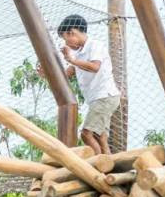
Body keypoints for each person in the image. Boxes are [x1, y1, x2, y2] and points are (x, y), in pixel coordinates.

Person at [45, 14, 121, 155]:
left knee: (86, 134)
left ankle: (99, 166)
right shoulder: (79, 54)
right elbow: (66, 74)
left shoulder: (95, 45)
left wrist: (72, 59)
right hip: (98, 99)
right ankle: (109, 166)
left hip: (105, 96)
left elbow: (94, 67)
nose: (66, 44)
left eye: (65, 39)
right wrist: (46, 73)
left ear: (72, 32)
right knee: (101, 136)